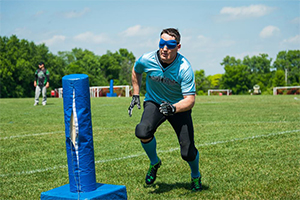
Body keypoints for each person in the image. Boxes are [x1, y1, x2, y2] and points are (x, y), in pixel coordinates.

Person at [128, 28, 202, 191]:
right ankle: (155, 162)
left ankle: (195, 175)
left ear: (178, 47)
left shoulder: (184, 67)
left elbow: (190, 100)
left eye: (170, 45)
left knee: (187, 153)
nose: (165, 48)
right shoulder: (147, 58)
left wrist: (173, 108)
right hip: (154, 102)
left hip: (178, 106)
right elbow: (136, 69)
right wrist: (136, 93)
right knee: (142, 131)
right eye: (162, 44)